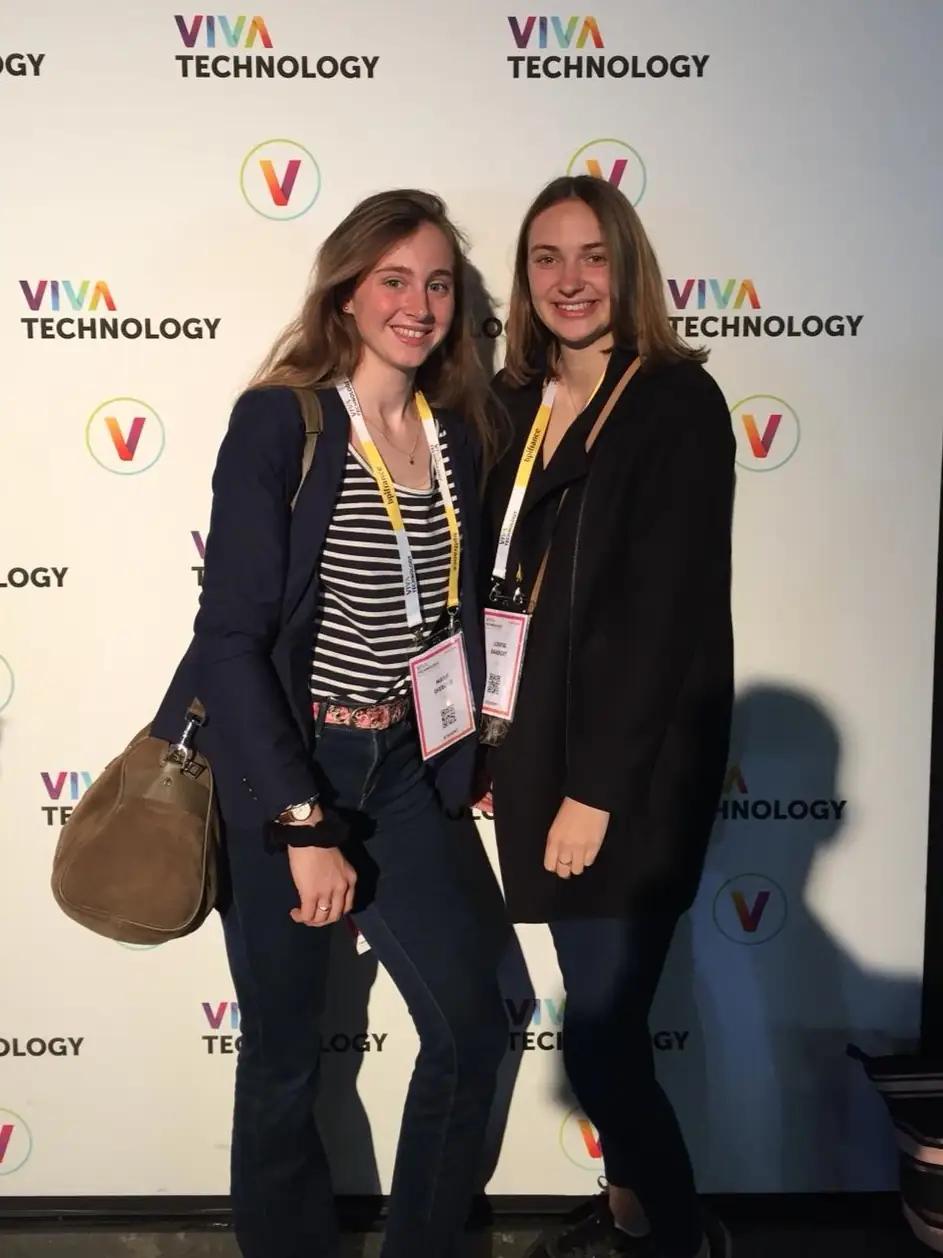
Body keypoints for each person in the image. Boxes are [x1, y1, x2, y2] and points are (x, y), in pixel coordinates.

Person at [151, 189, 507, 1258]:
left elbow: (453, 611)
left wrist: (469, 744)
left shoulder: (457, 436)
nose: (419, 302)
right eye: (394, 279)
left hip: (402, 762)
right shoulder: (285, 418)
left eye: (438, 282)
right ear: (347, 292)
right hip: (285, 763)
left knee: (470, 1021)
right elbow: (229, 638)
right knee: (284, 1052)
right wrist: (304, 823)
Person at [480, 174, 735, 1258]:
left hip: (628, 772)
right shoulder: (514, 403)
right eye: (546, 258)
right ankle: (632, 1210)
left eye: (591, 256)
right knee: (606, 1016)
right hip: (538, 750)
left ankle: (676, 1233)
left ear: (626, 269)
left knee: (598, 1034)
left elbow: (660, 618)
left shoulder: (673, 402)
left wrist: (594, 790)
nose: (569, 280)